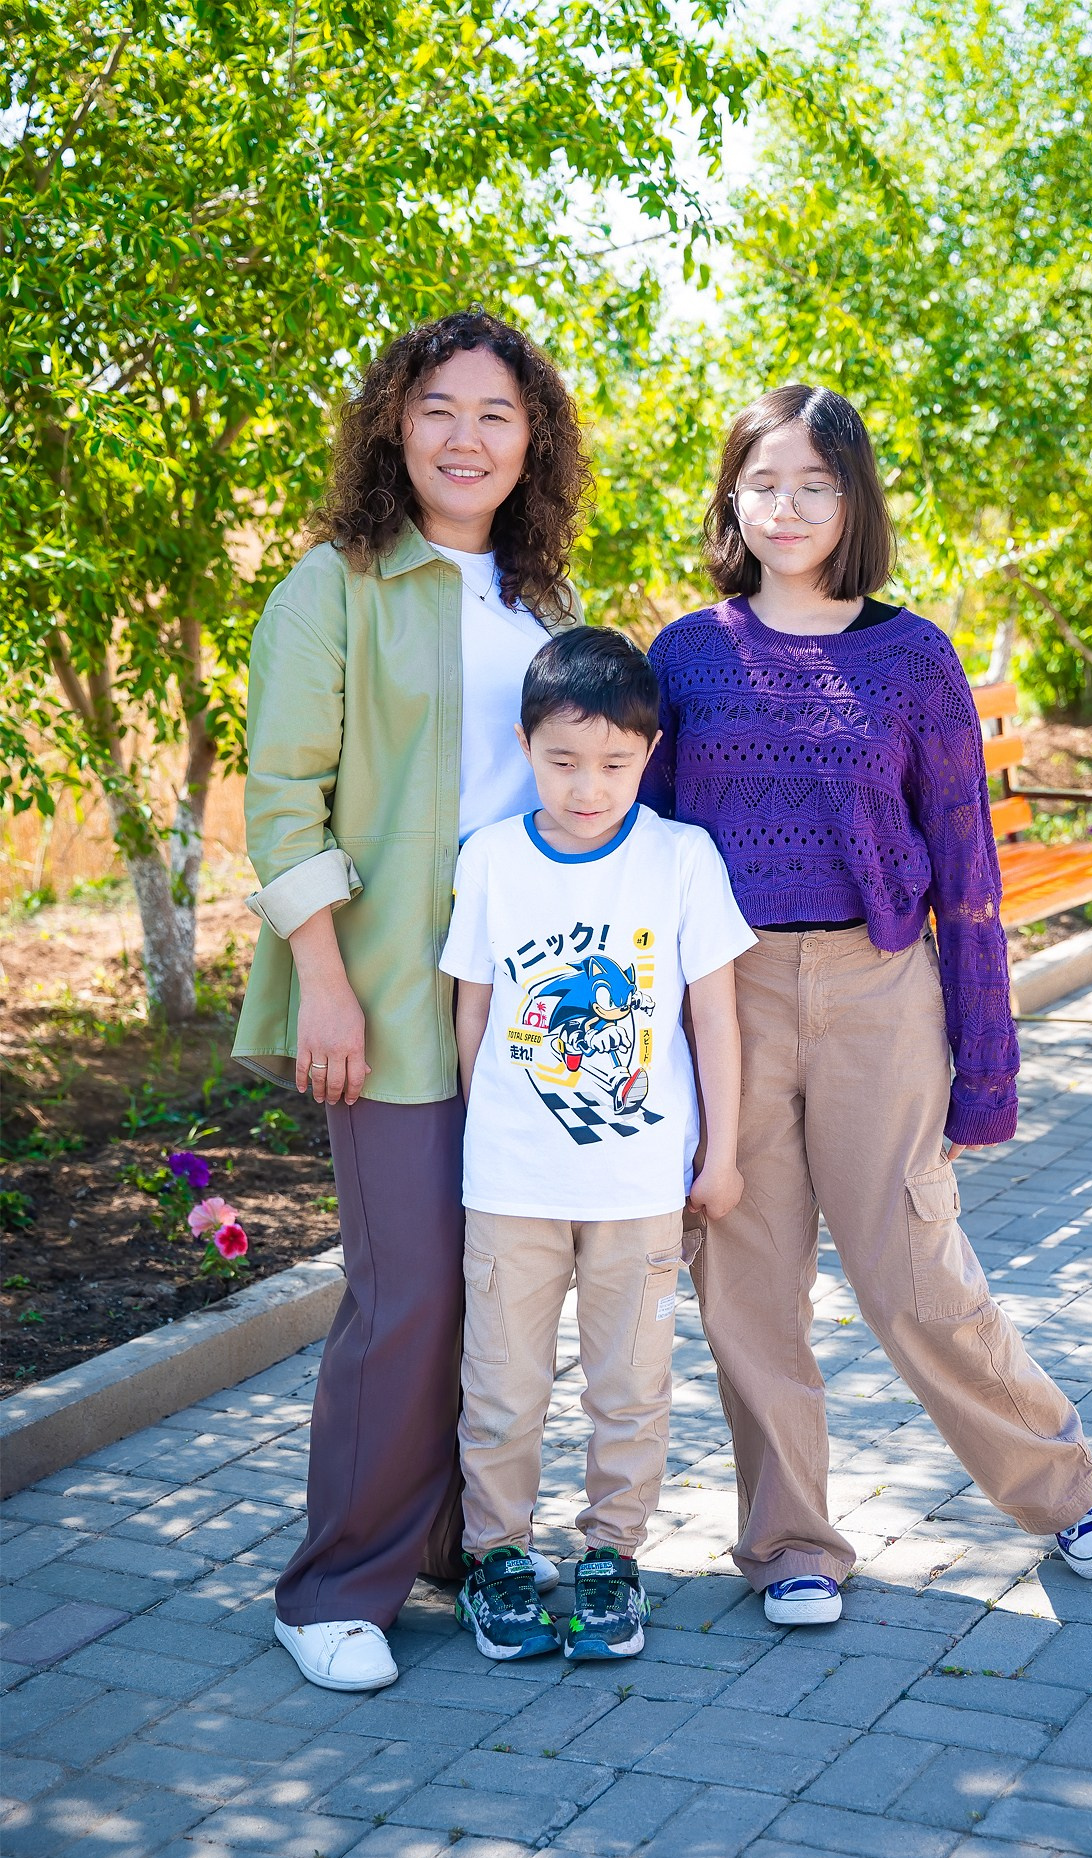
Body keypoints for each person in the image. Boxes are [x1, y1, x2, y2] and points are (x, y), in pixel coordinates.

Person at [642, 384, 1092, 1627]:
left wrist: (985, 1068)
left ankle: (1059, 1482)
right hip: (727, 1002)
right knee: (745, 1286)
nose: (785, 507)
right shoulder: (684, 654)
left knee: (912, 1273)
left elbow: (965, 871)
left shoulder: (912, 657)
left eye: (814, 484)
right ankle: (790, 1542)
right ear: (731, 498)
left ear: (852, 499)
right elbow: (641, 852)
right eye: (762, 483)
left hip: (877, 992)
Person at [232, 308, 590, 1691]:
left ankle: (446, 1542)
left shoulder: (542, 600)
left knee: (493, 1289)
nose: (465, 437)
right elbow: (282, 801)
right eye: (438, 407)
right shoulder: (334, 586)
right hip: (382, 992)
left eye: (496, 414)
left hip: (526, 1007)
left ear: (532, 441)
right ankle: (333, 1587)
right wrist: (323, 985)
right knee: (408, 1294)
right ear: (394, 421)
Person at [439, 626, 754, 1661]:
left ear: (649, 754)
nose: (588, 788)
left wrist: (721, 1153)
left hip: (638, 1185)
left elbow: (714, 1017)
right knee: (502, 1386)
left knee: (630, 1387)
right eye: (563, 761)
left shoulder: (681, 858)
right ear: (525, 747)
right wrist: (486, 1136)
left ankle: (613, 1556)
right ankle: (497, 1557)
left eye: (615, 765)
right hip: (512, 1187)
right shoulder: (491, 859)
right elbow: (473, 1015)